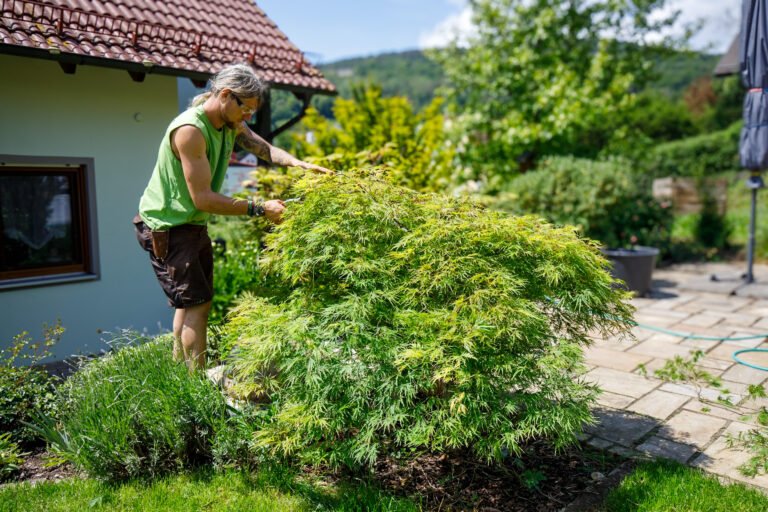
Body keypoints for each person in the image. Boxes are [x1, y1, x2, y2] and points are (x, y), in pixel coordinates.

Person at [134, 63, 331, 370]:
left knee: (190, 303)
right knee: (197, 305)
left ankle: (178, 372)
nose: (248, 118)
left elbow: (262, 148)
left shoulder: (229, 124)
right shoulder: (190, 131)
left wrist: (298, 164)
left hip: (190, 222)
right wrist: (259, 208)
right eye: (246, 110)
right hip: (167, 226)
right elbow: (204, 198)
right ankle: (194, 385)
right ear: (226, 95)